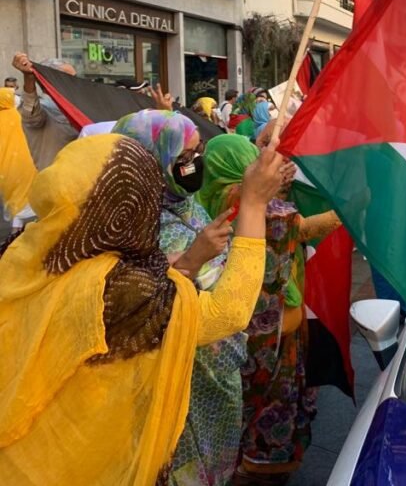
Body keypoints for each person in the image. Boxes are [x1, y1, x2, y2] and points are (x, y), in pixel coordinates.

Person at [0, 132, 283, 485]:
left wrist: (185, 262)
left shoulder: (22, 251)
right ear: (128, 207)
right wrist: (254, 205)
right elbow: (229, 312)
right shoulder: (114, 288)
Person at [112, 110, 247, 486]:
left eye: (197, 153)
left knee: (217, 460)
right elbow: (145, 298)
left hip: (218, 362)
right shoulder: (133, 223)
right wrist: (193, 260)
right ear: (150, 163)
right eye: (183, 159)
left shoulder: (187, 203)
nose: (194, 166)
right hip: (180, 369)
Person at [197, 135, 340, 485]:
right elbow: (294, 226)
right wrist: (343, 212)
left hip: (227, 324)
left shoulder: (205, 195)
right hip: (269, 326)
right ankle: (260, 469)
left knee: (235, 403)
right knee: (269, 402)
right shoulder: (245, 198)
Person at [11, 54, 79, 170]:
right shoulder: (43, 107)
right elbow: (31, 115)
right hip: (53, 183)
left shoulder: (79, 108)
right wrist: (29, 78)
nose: (76, 83)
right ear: (49, 81)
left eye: (75, 78)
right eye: (69, 79)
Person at [0, 87, 36, 230]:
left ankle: (15, 228)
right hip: (24, 162)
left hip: (5, 167)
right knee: (22, 194)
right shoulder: (17, 115)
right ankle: (17, 229)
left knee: (11, 196)